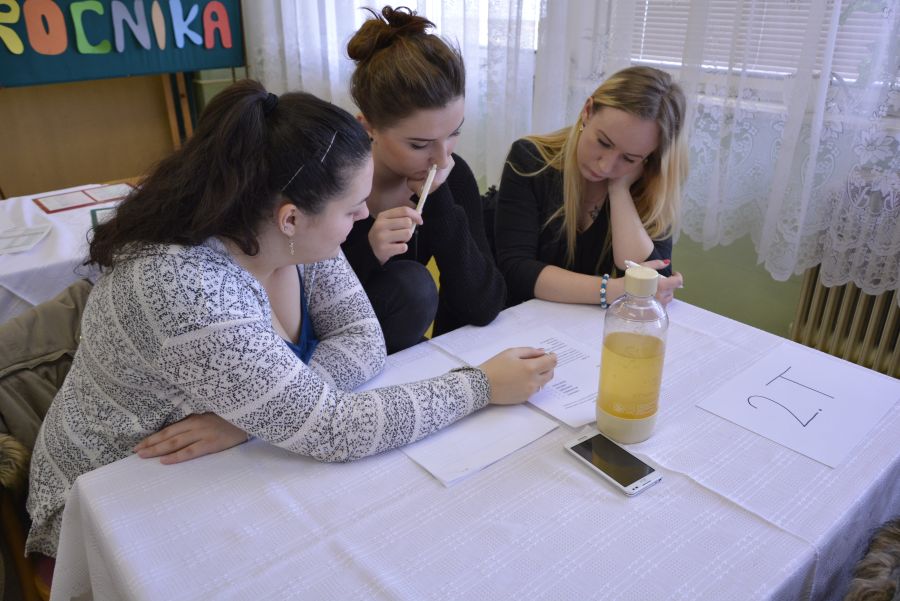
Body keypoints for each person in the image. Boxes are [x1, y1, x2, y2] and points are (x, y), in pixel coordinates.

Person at [26, 80, 557, 565]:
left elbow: (363, 339)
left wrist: (255, 417)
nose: (364, 217)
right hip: (103, 499)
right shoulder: (188, 288)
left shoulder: (282, 226)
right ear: (291, 217)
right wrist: (481, 385)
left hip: (195, 464)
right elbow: (337, 428)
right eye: (352, 209)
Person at [340, 6, 506, 353]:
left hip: (403, 348)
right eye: (419, 145)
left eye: (454, 133)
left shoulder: (452, 176)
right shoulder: (332, 179)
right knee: (412, 285)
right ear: (368, 127)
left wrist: (440, 202)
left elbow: (483, 305)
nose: (442, 158)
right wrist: (368, 252)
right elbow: (300, 302)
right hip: (330, 349)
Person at [494, 66, 687, 308]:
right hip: (525, 319)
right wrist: (615, 289)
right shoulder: (531, 160)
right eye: (603, 142)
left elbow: (653, 283)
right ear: (587, 111)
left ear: (649, 157)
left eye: (628, 158)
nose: (606, 166)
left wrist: (619, 190)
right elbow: (516, 269)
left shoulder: (651, 185)